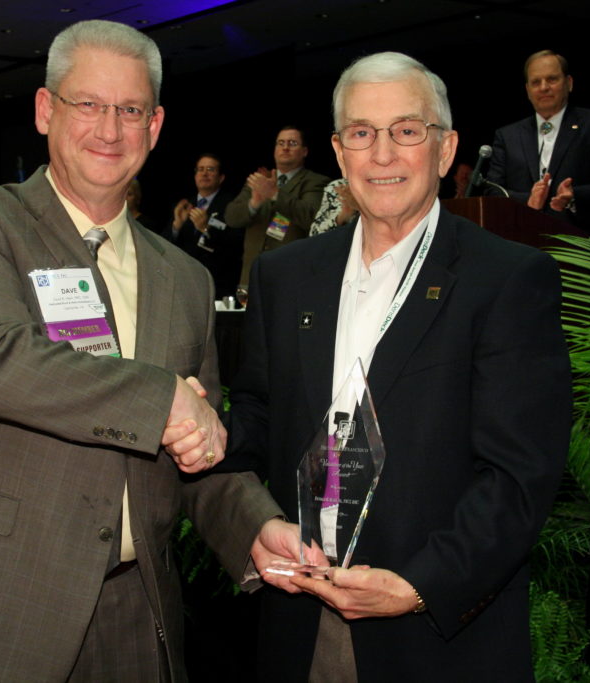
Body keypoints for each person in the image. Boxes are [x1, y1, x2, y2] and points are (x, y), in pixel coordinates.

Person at [0, 20, 286, 683]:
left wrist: (256, 528)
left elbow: (197, 452)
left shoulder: (186, 280)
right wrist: (165, 397)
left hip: (136, 611)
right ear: (45, 111)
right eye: (87, 104)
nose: (109, 129)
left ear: (155, 126)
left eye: (129, 110)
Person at [229, 51, 572, 680]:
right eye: (362, 133)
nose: (382, 154)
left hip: (432, 634)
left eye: (407, 131)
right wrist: (204, 428)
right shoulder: (283, 276)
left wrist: (417, 586)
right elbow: (258, 414)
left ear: (445, 151)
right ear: (338, 153)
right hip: (299, 617)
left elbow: (519, 478)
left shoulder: (508, 279)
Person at [485, 49, 590, 234]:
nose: (544, 87)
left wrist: (574, 196)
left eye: (552, 79)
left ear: (568, 83)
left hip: (581, 246)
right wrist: (528, 200)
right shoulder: (507, 135)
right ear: (528, 90)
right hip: (522, 245)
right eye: (536, 82)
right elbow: (492, 190)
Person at [225, 126, 329, 287]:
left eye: (292, 143)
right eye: (280, 143)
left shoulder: (315, 182)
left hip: (293, 276)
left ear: (304, 151)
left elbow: (312, 218)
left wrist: (275, 194)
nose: (285, 147)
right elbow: (231, 218)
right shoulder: (259, 181)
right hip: (253, 275)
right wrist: (254, 203)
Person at [170, 153, 241, 297]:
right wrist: (176, 225)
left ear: (221, 178)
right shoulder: (185, 205)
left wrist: (206, 229)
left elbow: (235, 246)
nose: (204, 173)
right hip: (186, 283)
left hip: (218, 284)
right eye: (200, 169)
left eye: (210, 169)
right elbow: (165, 245)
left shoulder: (231, 205)